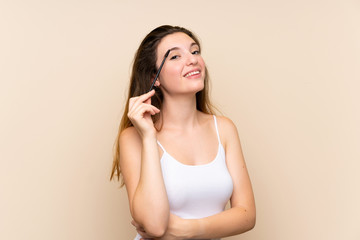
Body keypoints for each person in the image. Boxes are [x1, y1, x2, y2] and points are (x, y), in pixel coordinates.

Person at [110, 25, 256, 240]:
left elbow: (247, 215)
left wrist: (189, 229)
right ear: (154, 78)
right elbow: (155, 227)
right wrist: (149, 137)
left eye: (195, 51)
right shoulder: (133, 138)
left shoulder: (223, 128)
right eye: (175, 56)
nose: (192, 60)